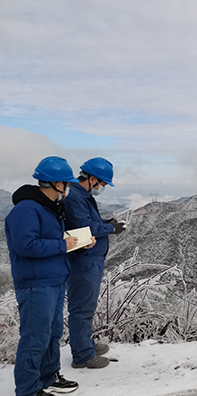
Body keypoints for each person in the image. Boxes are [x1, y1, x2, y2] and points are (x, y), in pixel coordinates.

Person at [5, 157, 95, 396]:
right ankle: (26, 390)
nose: (67, 189)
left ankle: (47, 377)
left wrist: (78, 243)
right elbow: (25, 245)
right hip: (35, 283)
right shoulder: (26, 210)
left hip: (54, 279)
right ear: (55, 183)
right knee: (35, 336)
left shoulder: (49, 208)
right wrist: (62, 245)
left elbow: (53, 242)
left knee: (52, 333)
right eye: (65, 184)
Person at [64, 157, 126, 369]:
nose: (103, 188)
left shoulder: (82, 194)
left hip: (90, 258)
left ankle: (85, 344)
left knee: (86, 306)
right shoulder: (75, 196)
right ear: (92, 179)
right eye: (102, 183)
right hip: (83, 259)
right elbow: (84, 227)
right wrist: (111, 229)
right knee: (82, 307)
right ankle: (82, 355)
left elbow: (89, 222)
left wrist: (107, 223)